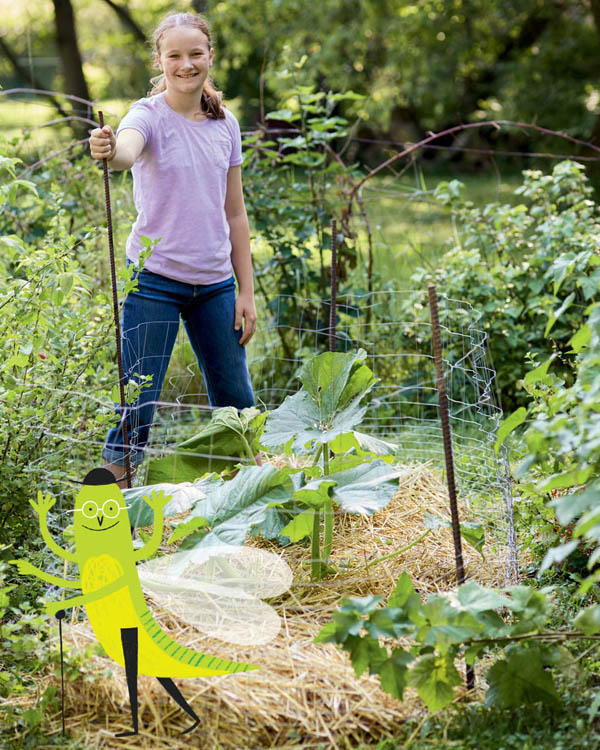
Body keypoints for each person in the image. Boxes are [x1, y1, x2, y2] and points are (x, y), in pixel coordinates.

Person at [89, 12, 257, 488]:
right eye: (175, 56)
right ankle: (112, 502)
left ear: (209, 57)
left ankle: (248, 494)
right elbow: (125, 152)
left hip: (215, 284)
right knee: (139, 402)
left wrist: (246, 291)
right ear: (160, 61)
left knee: (237, 400)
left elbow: (236, 215)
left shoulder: (226, 124)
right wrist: (108, 147)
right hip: (156, 280)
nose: (187, 64)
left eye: (196, 54)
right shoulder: (148, 114)